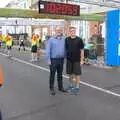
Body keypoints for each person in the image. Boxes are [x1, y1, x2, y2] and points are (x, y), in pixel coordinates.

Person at [46, 26, 67, 95]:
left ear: (61, 31)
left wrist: (65, 58)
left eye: (60, 30)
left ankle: (60, 87)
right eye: (57, 30)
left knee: (60, 75)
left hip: (61, 60)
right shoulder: (51, 39)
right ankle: (51, 88)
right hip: (53, 60)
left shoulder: (64, 39)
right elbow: (48, 50)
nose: (59, 31)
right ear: (55, 31)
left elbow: (65, 49)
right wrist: (49, 60)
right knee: (52, 74)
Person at [65, 27, 84, 94]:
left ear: (75, 31)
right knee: (70, 74)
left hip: (77, 60)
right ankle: (70, 85)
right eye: (71, 31)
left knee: (77, 74)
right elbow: (66, 49)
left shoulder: (79, 40)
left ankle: (77, 87)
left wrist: (82, 60)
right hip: (69, 60)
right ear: (69, 32)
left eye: (73, 31)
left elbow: (82, 50)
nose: (72, 32)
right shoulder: (67, 39)